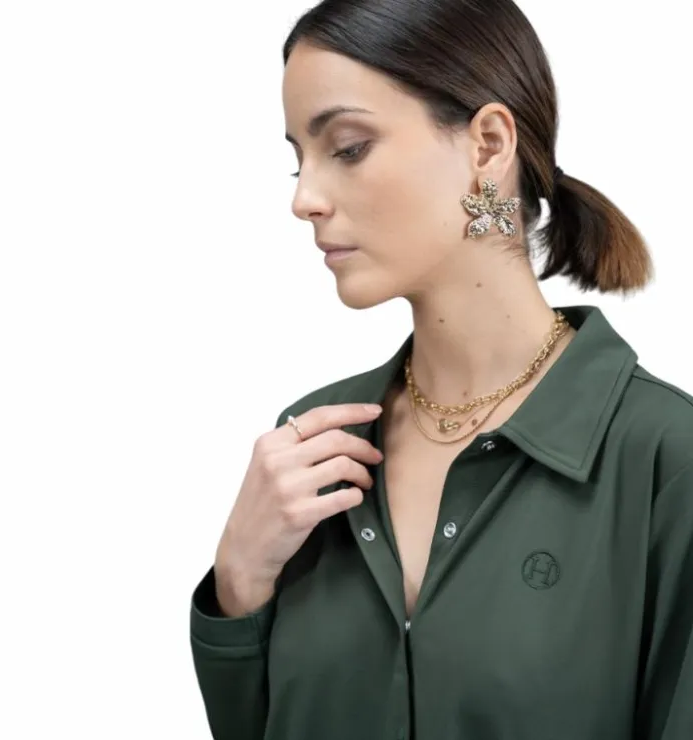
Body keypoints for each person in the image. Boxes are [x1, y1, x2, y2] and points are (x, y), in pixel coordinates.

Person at [189, 1, 693, 738]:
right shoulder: (308, 452)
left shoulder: (662, 459)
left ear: (488, 145)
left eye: (348, 148)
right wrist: (238, 581)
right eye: (299, 160)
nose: (304, 199)